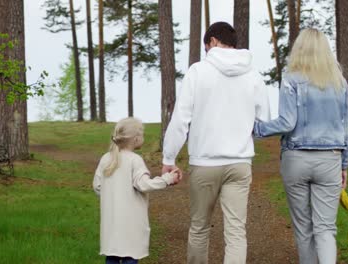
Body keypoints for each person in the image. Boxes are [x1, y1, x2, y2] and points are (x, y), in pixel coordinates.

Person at [161, 22, 270, 264]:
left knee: (199, 228)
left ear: (211, 42)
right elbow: (264, 121)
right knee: (236, 232)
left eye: (205, 46)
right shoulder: (253, 74)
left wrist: (169, 158)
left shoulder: (198, 71)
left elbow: (181, 119)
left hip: (205, 162)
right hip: (240, 163)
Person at [254, 28, 348, 264]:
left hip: (296, 159)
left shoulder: (291, 79)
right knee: (326, 228)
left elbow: (288, 122)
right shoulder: (340, 82)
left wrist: (257, 128)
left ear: (299, 49)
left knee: (303, 227)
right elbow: (345, 126)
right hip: (330, 158)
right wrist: (344, 164)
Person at [93, 117, 181, 264]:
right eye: (142, 134)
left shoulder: (105, 159)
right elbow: (144, 185)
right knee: (130, 257)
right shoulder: (135, 160)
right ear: (135, 139)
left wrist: (112, 196)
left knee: (112, 257)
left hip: (111, 223)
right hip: (131, 225)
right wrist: (167, 179)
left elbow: (97, 186)